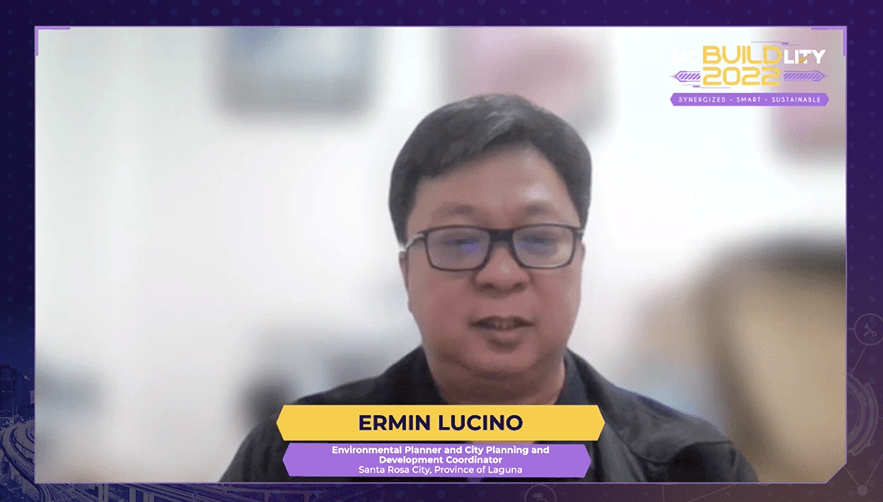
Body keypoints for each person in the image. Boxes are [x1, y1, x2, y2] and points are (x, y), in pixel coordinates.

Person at [220, 94, 758, 483]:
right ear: (408, 276)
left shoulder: (694, 468)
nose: (502, 274)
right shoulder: (291, 458)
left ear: (578, 263)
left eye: (539, 239)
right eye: (459, 242)